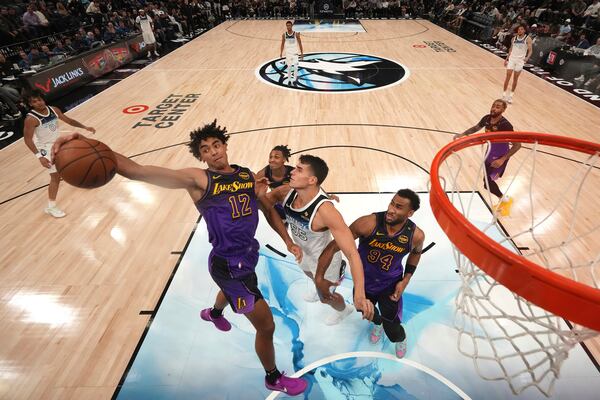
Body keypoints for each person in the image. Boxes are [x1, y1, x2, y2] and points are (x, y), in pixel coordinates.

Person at [51, 121, 308, 396]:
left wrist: (287, 239)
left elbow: (265, 206)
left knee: (232, 292)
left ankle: (214, 313)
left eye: (216, 145)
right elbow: (138, 171)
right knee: (266, 325)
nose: (213, 152)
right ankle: (272, 376)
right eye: (205, 150)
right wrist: (97, 150)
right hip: (229, 266)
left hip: (248, 254)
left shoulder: (245, 175)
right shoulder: (198, 179)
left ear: (225, 145)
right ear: (201, 157)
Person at [266, 155, 375, 325]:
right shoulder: (286, 192)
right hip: (303, 252)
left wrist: (359, 294)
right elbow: (265, 205)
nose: (292, 172)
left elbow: (353, 254)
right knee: (309, 275)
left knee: (327, 297)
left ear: (312, 180)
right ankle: (318, 287)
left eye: (299, 169)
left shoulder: (326, 212)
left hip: (326, 261)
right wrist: (288, 241)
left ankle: (344, 310)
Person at [315, 189, 425, 358]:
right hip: (363, 284)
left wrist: (406, 280)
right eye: (392, 203)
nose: (391, 209)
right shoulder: (368, 223)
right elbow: (333, 246)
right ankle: (377, 323)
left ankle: (400, 338)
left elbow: (416, 253)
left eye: (398, 207)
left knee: (393, 329)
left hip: (390, 286)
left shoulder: (416, 235)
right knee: (368, 313)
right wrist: (319, 277)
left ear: (409, 213)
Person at [22, 90, 96, 218]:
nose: (38, 103)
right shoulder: (31, 119)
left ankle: (81, 181)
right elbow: (27, 139)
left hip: (57, 142)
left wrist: (85, 127)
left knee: (73, 161)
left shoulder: (54, 109)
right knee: (55, 177)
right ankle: (51, 207)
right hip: (44, 148)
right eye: (34, 101)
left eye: (39, 99)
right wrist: (40, 157)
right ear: (30, 104)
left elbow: (69, 121)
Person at [454, 99, 521, 216]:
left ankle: (505, 200)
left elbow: (517, 145)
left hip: (500, 157)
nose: (494, 108)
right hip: (489, 153)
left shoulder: (506, 125)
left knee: (488, 183)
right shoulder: (486, 118)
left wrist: (502, 159)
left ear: (503, 110)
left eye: (498, 107)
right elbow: (476, 128)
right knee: (488, 181)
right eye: (493, 106)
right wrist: (462, 134)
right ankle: (504, 199)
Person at [502, 24, 532, 104]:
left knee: (515, 79)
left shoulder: (528, 39)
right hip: (512, 59)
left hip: (520, 61)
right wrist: (506, 59)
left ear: (524, 30)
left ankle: (511, 96)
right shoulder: (513, 38)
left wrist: (527, 58)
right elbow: (511, 49)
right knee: (507, 77)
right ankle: (504, 95)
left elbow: (530, 51)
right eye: (519, 29)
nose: (520, 31)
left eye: (521, 29)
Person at [279, 20, 303, 86]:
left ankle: (294, 80)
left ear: (292, 26)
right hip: (288, 53)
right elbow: (282, 44)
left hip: (295, 53)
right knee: (289, 67)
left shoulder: (296, 34)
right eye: (287, 26)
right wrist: (281, 52)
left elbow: (300, 43)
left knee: (295, 67)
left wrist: (302, 53)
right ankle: (289, 80)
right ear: (286, 26)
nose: (288, 27)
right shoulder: (284, 35)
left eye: (289, 25)